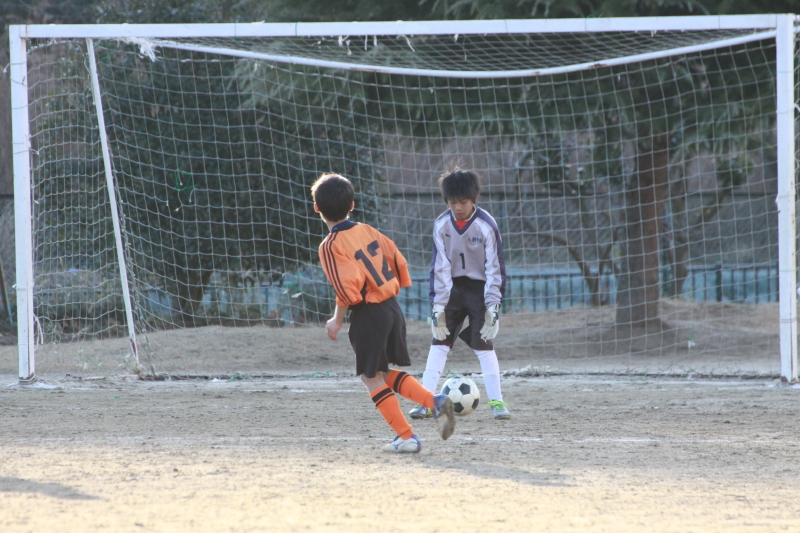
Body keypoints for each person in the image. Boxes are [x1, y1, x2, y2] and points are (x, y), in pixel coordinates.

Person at [312, 173, 456, 453]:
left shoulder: (330, 245)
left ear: (316, 208)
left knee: (370, 378)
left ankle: (407, 437)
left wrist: (337, 319)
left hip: (369, 314)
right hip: (391, 307)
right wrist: (393, 287)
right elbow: (396, 257)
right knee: (379, 372)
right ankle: (435, 403)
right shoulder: (366, 229)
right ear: (352, 205)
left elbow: (348, 286)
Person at [409, 169, 511, 420]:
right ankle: (425, 402)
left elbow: (495, 267)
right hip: (452, 289)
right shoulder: (441, 225)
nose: (457, 207)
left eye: (463, 202)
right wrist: (437, 306)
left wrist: (493, 306)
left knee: (484, 345)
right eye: (452, 202)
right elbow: (440, 266)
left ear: (474, 199)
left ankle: (497, 402)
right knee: (439, 342)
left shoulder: (486, 225)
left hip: (480, 290)